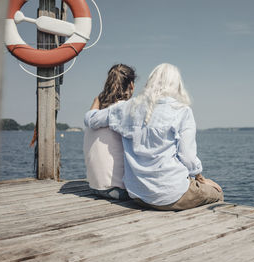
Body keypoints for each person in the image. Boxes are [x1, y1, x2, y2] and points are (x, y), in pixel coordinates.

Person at [85, 63, 223, 210]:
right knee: (217, 192)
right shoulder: (182, 111)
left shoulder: (127, 108)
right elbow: (188, 157)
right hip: (171, 195)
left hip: (137, 195)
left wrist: (95, 104)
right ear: (177, 84)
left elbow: (91, 120)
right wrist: (201, 179)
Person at [83, 64, 136, 200]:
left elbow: (89, 117)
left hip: (94, 187)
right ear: (131, 85)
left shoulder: (96, 114)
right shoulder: (124, 111)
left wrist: (97, 100)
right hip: (118, 190)